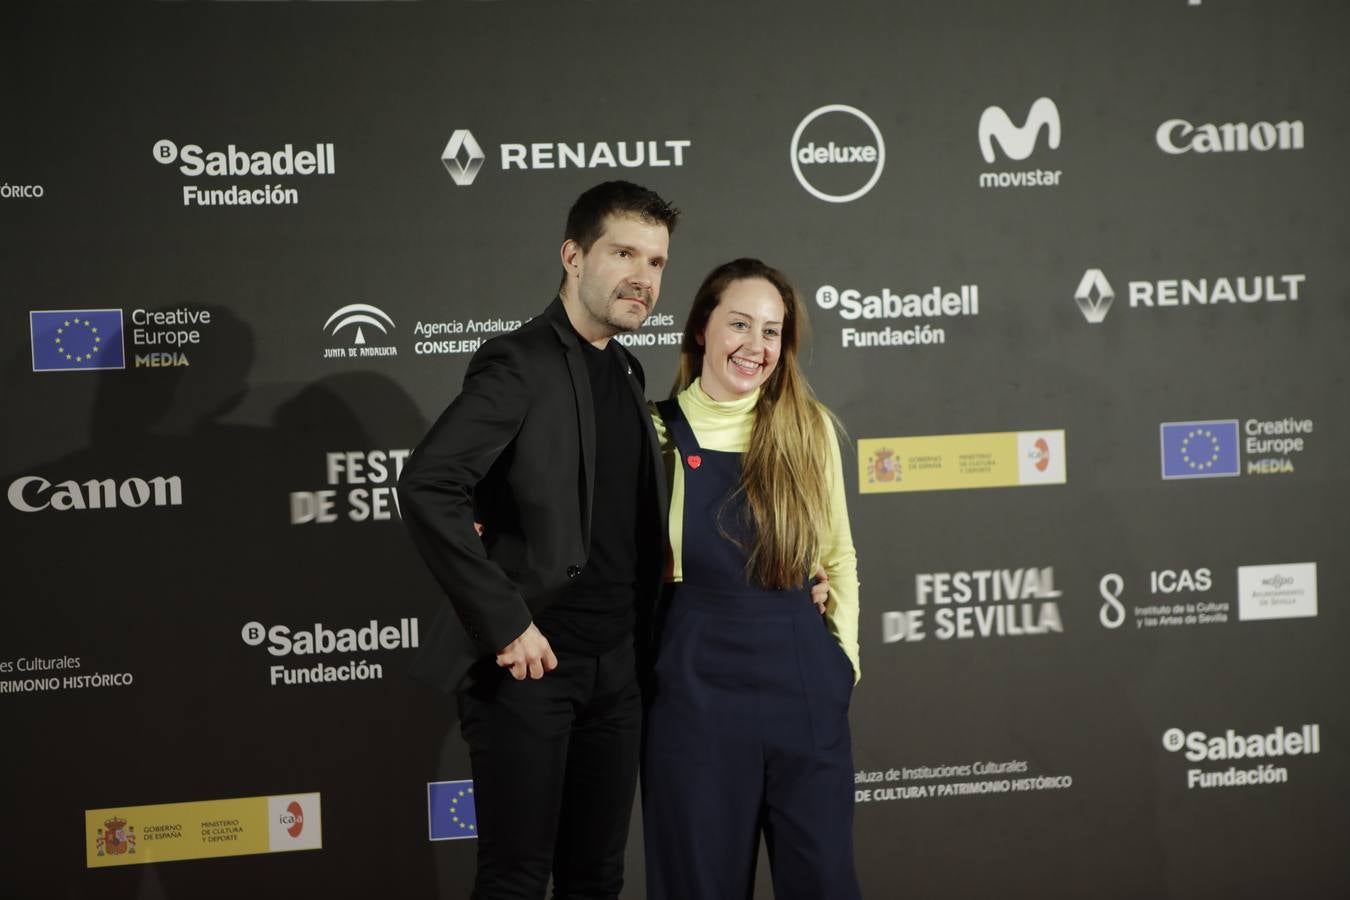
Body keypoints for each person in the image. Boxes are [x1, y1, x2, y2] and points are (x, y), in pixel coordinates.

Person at [397, 180, 678, 900]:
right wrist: (507, 622)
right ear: (573, 256)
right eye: (623, 253)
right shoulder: (518, 361)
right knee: (517, 880)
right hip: (530, 671)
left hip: (616, 672)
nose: (641, 278)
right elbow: (430, 484)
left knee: (597, 877)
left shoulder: (625, 368)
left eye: (655, 262)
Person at [643, 258, 862, 900]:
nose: (755, 346)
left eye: (772, 331)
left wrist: (842, 659)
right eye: (740, 324)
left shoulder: (808, 427)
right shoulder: (653, 429)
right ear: (702, 329)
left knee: (823, 883)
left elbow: (839, 556)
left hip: (803, 686)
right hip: (693, 695)